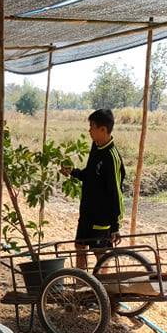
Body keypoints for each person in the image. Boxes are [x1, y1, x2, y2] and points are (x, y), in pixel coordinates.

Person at [68, 108, 126, 270]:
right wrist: (73, 172)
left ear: (103, 129)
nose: (89, 131)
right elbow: (89, 174)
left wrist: (115, 226)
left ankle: (104, 283)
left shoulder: (111, 157)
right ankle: (81, 281)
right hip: (87, 212)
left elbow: (116, 192)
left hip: (102, 216)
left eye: (92, 127)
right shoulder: (96, 146)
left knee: (100, 253)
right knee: (80, 247)